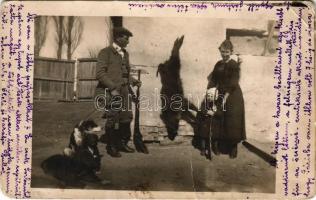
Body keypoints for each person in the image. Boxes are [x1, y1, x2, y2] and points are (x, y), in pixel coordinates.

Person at [95, 27, 141, 157]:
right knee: (113, 118)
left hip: (125, 92)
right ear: (118, 37)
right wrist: (112, 88)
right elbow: (100, 74)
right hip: (111, 92)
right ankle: (111, 146)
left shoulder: (125, 54)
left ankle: (122, 143)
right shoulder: (105, 52)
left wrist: (133, 81)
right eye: (126, 38)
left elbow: (125, 73)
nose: (128, 41)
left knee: (126, 117)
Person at [197, 39, 246, 159]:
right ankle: (217, 145)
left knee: (232, 121)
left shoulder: (234, 64)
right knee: (218, 119)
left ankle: (233, 148)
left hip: (233, 96)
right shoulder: (218, 64)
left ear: (231, 51)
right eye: (222, 52)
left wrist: (225, 99)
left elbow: (233, 83)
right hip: (220, 93)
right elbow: (212, 79)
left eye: (227, 52)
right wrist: (210, 92)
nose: (224, 54)